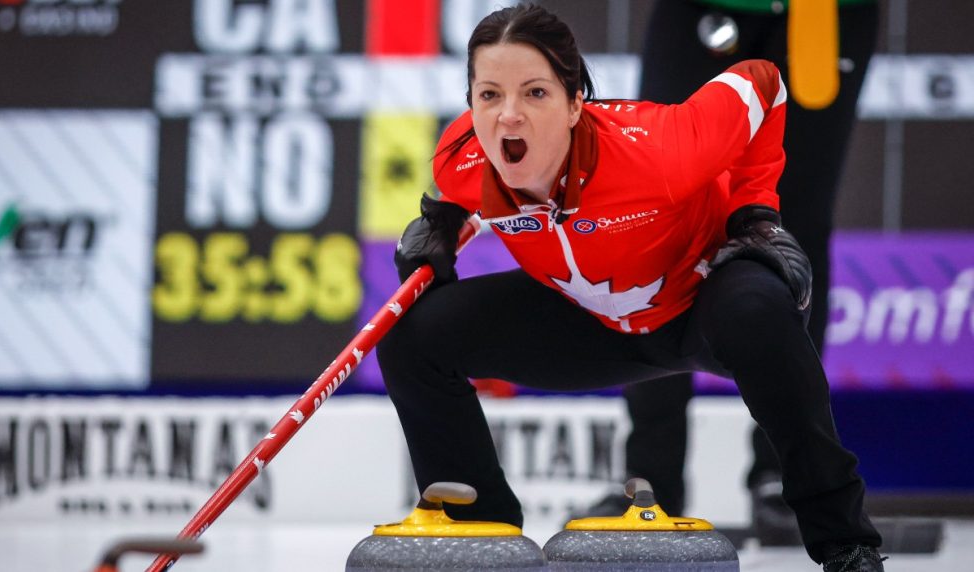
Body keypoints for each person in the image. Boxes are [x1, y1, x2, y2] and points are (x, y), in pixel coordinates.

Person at [377, 4, 884, 571]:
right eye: (488, 95)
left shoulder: (659, 152)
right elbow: (460, 184)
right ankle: (482, 534)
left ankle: (845, 542)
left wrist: (754, 214)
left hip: (701, 304)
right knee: (410, 335)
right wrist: (443, 220)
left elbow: (763, 83)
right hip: (592, 320)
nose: (509, 116)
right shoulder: (461, 156)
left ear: (575, 105)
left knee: (759, 307)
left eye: (536, 93)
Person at [577, 0, 881, 546]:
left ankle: (787, 478)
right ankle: (650, 479)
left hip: (822, 15)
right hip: (701, 7)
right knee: (662, 202)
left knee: (795, 225)